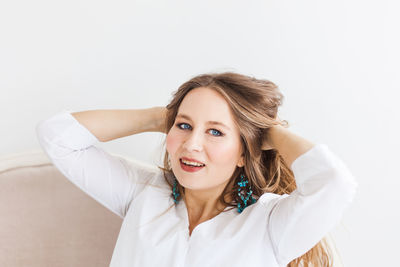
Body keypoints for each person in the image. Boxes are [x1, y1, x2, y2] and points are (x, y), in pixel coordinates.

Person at [35, 72, 358, 267]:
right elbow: (58, 137)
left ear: (245, 152)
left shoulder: (271, 224)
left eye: (215, 132)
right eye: (184, 126)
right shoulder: (144, 194)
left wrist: (267, 134)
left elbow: (334, 184)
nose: (191, 145)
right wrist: (159, 118)